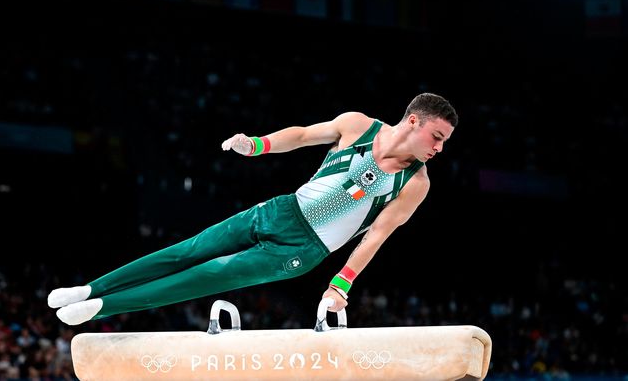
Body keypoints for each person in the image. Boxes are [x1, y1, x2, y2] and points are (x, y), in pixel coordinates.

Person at [48, 93, 458, 325]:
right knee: (188, 251)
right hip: (281, 209)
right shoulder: (357, 125)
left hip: (301, 250)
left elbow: (378, 234)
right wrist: (257, 144)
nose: (439, 149)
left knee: (204, 276)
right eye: (436, 136)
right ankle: (91, 288)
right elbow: (299, 136)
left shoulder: (415, 183)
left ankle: (101, 308)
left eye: (444, 142)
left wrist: (341, 284)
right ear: (413, 121)